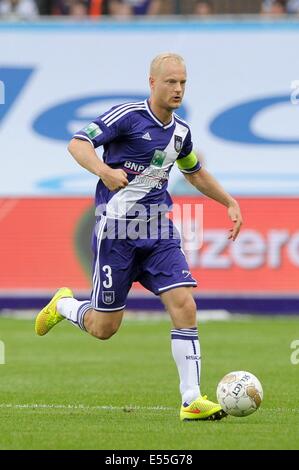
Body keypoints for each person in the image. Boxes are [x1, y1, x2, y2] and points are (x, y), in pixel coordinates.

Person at [35, 53, 243, 421]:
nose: (178, 89)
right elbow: (78, 143)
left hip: (159, 231)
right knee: (104, 328)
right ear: (152, 83)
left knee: (185, 303)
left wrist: (228, 201)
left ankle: (191, 398)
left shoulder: (180, 133)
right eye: (170, 82)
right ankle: (65, 305)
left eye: (182, 82)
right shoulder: (127, 117)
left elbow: (194, 173)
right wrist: (104, 170)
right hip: (116, 233)